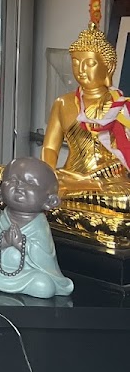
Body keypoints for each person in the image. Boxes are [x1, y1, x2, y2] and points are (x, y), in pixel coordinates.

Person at [41, 23, 130, 249]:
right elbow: (50, 147)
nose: (81, 70)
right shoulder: (63, 103)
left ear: (108, 67)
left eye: (89, 63)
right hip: (68, 178)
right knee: (11, 176)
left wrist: (95, 182)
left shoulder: (121, 107)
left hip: (109, 184)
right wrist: (50, 175)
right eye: (75, 62)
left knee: (125, 200)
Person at [0, 157, 73, 299]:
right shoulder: (2, 220)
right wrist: (2, 241)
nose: (19, 186)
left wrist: (22, 244)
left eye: (30, 183)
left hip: (29, 274)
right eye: (12, 180)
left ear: (50, 201)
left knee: (43, 285)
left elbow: (45, 257)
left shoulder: (40, 226)